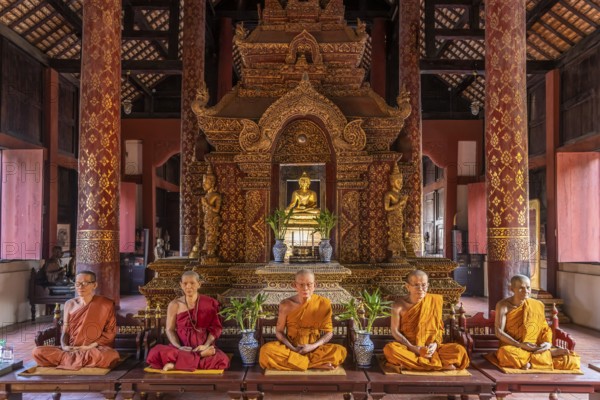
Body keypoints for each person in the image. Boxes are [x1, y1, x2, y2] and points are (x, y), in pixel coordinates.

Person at [259, 269, 347, 371]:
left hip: (315, 349)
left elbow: (329, 333)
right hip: (291, 348)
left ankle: (300, 363)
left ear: (315, 285)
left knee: (340, 351)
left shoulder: (323, 303)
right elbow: (279, 332)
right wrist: (293, 348)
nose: (305, 288)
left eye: (309, 284)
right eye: (301, 285)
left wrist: (312, 346)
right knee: (265, 351)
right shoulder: (286, 305)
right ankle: (313, 365)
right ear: (294, 285)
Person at [32, 271, 120, 370]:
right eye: (77, 283)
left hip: (92, 349)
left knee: (110, 356)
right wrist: (64, 346)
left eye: (85, 283)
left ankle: (69, 361)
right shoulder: (69, 304)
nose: (80, 287)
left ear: (94, 285)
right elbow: (65, 331)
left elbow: (110, 333)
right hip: (71, 349)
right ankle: (80, 361)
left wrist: (88, 347)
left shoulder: (105, 304)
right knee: (37, 352)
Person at [383, 270, 469, 371]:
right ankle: (439, 366)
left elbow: (439, 329)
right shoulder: (398, 305)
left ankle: (415, 365)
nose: (420, 289)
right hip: (409, 347)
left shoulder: (434, 301)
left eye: (423, 285)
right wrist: (412, 347)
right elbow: (395, 331)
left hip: (431, 350)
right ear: (407, 286)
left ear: (428, 285)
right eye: (416, 285)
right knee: (390, 350)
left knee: (460, 350)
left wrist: (435, 344)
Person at [146, 271, 230, 371]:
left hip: (202, 346)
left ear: (199, 284)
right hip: (181, 348)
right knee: (155, 352)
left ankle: (176, 364)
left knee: (222, 360)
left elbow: (216, 328)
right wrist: (178, 346)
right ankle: (198, 356)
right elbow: (169, 329)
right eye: (185, 283)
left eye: (192, 283)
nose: (188, 286)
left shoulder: (210, 302)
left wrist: (206, 345)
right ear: (181, 285)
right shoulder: (174, 304)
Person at [494, 274, 580, 370]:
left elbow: (544, 328)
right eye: (521, 288)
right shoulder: (503, 305)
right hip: (514, 346)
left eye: (528, 287)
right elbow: (498, 332)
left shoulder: (537, 305)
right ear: (512, 288)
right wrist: (519, 344)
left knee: (572, 360)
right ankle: (547, 356)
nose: (526, 291)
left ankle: (530, 362)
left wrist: (547, 343)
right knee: (505, 353)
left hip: (535, 347)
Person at [383, 163, 408, 260]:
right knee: (394, 234)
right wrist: (400, 202)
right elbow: (387, 208)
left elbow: (401, 208)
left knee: (399, 234)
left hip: (399, 216)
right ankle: (394, 253)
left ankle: (398, 253)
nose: (401, 184)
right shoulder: (389, 194)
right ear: (393, 182)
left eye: (401, 182)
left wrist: (404, 202)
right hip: (392, 217)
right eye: (399, 182)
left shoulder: (400, 195)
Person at [201, 166, 222, 260]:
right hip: (207, 218)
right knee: (206, 235)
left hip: (213, 219)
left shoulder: (216, 196)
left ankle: (211, 253)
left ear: (212, 183)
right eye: (203, 182)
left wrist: (206, 204)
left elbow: (217, 210)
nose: (204, 184)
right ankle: (208, 252)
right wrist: (204, 205)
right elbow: (204, 210)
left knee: (212, 236)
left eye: (206, 182)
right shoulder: (206, 195)